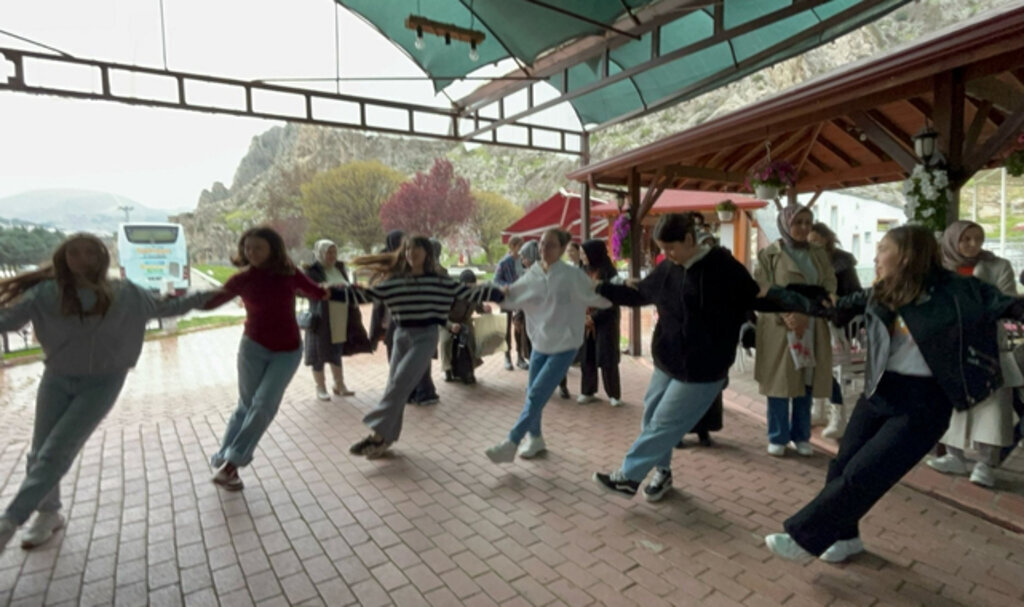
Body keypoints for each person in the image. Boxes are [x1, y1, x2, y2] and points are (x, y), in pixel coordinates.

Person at [765, 224, 1024, 563]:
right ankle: (846, 539)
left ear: (906, 255)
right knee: (842, 466)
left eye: (882, 248)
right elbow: (834, 305)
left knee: (865, 473)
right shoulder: (885, 290)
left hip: (925, 403)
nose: (875, 257)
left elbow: (1010, 306)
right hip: (881, 390)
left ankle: (803, 539)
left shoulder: (961, 290)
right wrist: (772, 297)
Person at [0, 234, 216, 553]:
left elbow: (167, 306)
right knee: (39, 452)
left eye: (90, 252)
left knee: (55, 452)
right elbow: (6, 321)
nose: (82, 259)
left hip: (102, 383)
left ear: (102, 257)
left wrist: (215, 295)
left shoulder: (125, 292)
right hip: (56, 379)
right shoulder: (45, 293)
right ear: (64, 258)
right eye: (75, 253)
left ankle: (8, 523)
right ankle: (48, 513)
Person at [590, 214, 819, 502]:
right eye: (662, 249)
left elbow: (755, 297)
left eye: (671, 248)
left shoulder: (723, 267)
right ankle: (662, 472)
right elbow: (641, 294)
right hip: (668, 360)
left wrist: (801, 305)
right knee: (652, 415)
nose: (667, 255)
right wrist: (600, 289)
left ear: (689, 239)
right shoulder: (669, 268)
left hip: (704, 368)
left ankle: (629, 476)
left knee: (664, 422)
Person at [333, 235, 504, 458]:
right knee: (394, 387)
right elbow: (367, 295)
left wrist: (499, 292)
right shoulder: (395, 281)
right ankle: (385, 439)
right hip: (401, 336)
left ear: (427, 253)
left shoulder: (439, 281)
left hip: (425, 337)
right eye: (408, 249)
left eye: (416, 249)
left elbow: (468, 292)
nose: (411, 253)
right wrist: (331, 292)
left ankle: (376, 436)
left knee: (399, 384)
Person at [205, 227, 328, 491]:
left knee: (263, 405)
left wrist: (335, 290)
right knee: (246, 406)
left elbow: (316, 291)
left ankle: (231, 464)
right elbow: (212, 300)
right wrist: (174, 302)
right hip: (252, 348)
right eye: (247, 248)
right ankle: (226, 461)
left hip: (287, 351)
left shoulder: (289, 274)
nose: (252, 252)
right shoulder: (242, 279)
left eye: (258, 248)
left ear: (273, 249)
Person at [485, 229, 612, 463]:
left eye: (551, 245)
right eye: (542, 244)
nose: (544, 249)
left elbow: (597, 294)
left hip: (565, 345)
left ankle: (512, 441)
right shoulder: (533, 274)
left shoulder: (572, 275)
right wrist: (495, 293)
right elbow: (513, 295)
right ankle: (535, 438)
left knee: (536, 393)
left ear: (562, 249)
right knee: (531, 392)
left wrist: (621, 288)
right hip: (540, 343)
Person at [927, 220, 1021, 488]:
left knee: (992, 405)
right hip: (951, 346)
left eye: (977, 239)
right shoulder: (941, 269)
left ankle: (986, 463)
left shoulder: (998, 266)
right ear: (953, 240)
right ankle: (954, 455)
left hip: (987, 345)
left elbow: (1006, 301)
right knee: (954, 402)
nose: (973, 244)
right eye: (965, 239)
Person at [755, 203, 836, 457]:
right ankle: (777, 435)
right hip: (781, 326)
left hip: (812, 324)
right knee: (780, 383)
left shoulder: (818, 254)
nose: (803, 228)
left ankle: (801, 435)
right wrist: (787, 314)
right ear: (784, 224)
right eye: (797, 222)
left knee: (806, 381)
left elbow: (829, 284)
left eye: (807, 223)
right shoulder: (769, 254)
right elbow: (762, 289)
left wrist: (812, 309)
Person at [808, 222, 862, 440]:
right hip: (813, 321)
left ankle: (838, 417)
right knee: (812, 366)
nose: (812, 244)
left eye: (816, 240)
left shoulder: (842, 264)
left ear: (826, 239)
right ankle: (818, 410)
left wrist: (835, 307)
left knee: (827, 368)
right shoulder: (807, 260)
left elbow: (855, 296)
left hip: (836, 324)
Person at [302, 239, 369, 400]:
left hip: (341, 317)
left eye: (334, 252)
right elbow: (308, 291)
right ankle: (320, 387)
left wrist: (352, 288)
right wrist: (328, 289)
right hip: (321, 318)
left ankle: (339, 385)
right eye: (328, 252)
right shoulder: (312, 271)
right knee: (318, 354)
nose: (332, 256)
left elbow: (346, 286)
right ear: (320, 253)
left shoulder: (339, 268)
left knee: (336, 351)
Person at [576, 239, 623, 407]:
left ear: (593, 254)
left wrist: (594, 317)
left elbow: (612, 300)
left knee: (607, 358)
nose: (582, 257)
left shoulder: (609, 272)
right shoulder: (581, 271)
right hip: (586, 320)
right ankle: (587, 391)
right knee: (587, 357)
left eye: (584, 253)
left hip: (605, 320)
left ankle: (614, 395)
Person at [440, 269, 492, 383]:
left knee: (472, 339)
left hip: (465, 321)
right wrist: (451, 325)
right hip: (448, 321)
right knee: (445, 341)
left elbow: (479, 308)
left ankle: (469, 369)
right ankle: (447, 369)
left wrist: (485, 309)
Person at [495, 236, 528, 371]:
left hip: (520, 299)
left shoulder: (524, 261)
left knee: (519, 327)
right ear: (512, 246)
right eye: (520, 246)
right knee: (506, 328)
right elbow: (496, 280)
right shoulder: (503, 262)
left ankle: (520, 356)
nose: (521, 249)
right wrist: (508, 286)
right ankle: (507, 357)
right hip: (506, 299)